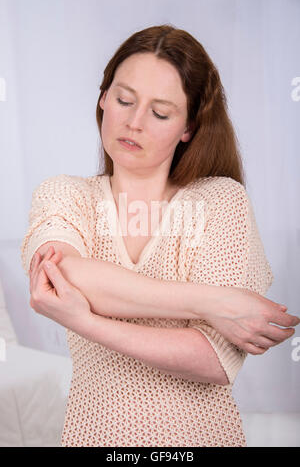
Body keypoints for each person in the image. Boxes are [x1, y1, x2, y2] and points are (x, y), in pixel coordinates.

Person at [21, 24, 299, 447]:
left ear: (188, 127)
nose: (134, 122)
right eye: (124, 99)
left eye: (160, 112)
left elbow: (213, 360)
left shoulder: (220, 201)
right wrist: (214, 301)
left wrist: (84, 321)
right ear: (103, 97)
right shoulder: (65, 194)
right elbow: (64, 276)